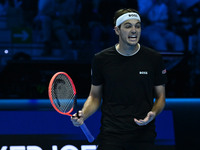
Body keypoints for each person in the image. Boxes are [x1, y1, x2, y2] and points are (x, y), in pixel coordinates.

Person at [71, 8, 167, 150]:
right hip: (111, 136)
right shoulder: (101, 59)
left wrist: (154, 113)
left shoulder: (154, 58)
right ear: (117, 30)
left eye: (137, 26)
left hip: (143, 136)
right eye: (128, 26)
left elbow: (161, 98)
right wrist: (83, 114)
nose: (134, 30)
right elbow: (95, 96)